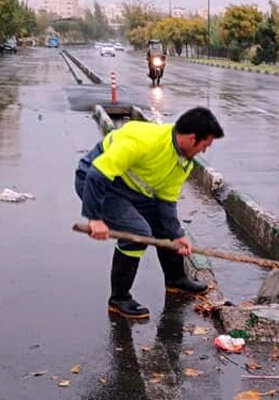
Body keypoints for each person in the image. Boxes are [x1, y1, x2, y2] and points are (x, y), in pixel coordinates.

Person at [75, 107, 224, 319]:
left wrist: (177, 234)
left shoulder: (183, 161)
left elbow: (166, 201)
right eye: (204, 145)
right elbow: (96, 175)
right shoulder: (143, 140)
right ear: (192, 138)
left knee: (166, 228)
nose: (204, 150)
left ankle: (175, 279)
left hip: (131, 189)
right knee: (138, 233)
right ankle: (119, 299)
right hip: (97, 181)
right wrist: (95, 218)